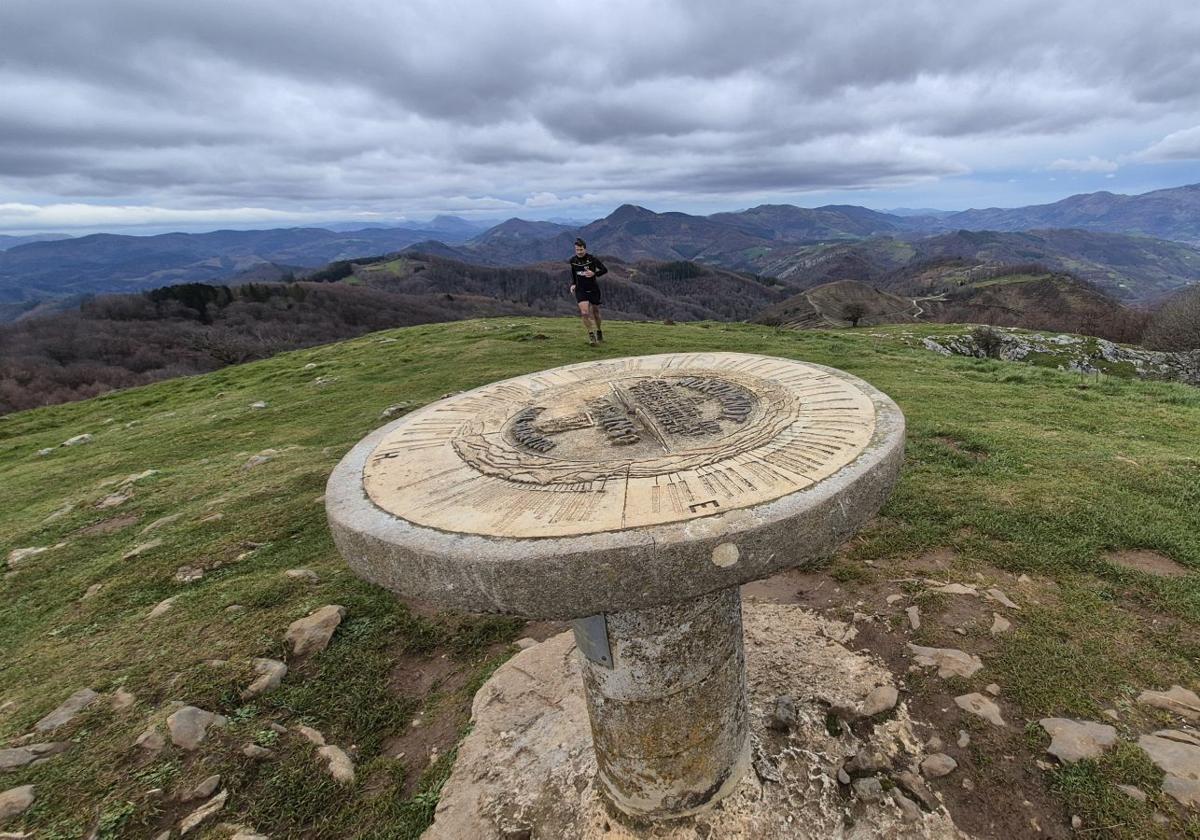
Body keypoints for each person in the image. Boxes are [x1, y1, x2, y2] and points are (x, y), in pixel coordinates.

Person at [569, 238, 607, 345]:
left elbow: (604, 270)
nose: (579, 252)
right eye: (577, 250)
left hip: (593, 288)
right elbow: (573, 273)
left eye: (581, 249)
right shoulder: (573, 261)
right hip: (580, 290)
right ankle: (591, 336)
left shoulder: (592, 259)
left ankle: (599, 331)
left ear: (585, 249)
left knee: (595, 312)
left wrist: (594, 273)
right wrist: (573, 284)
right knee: (584, 313)